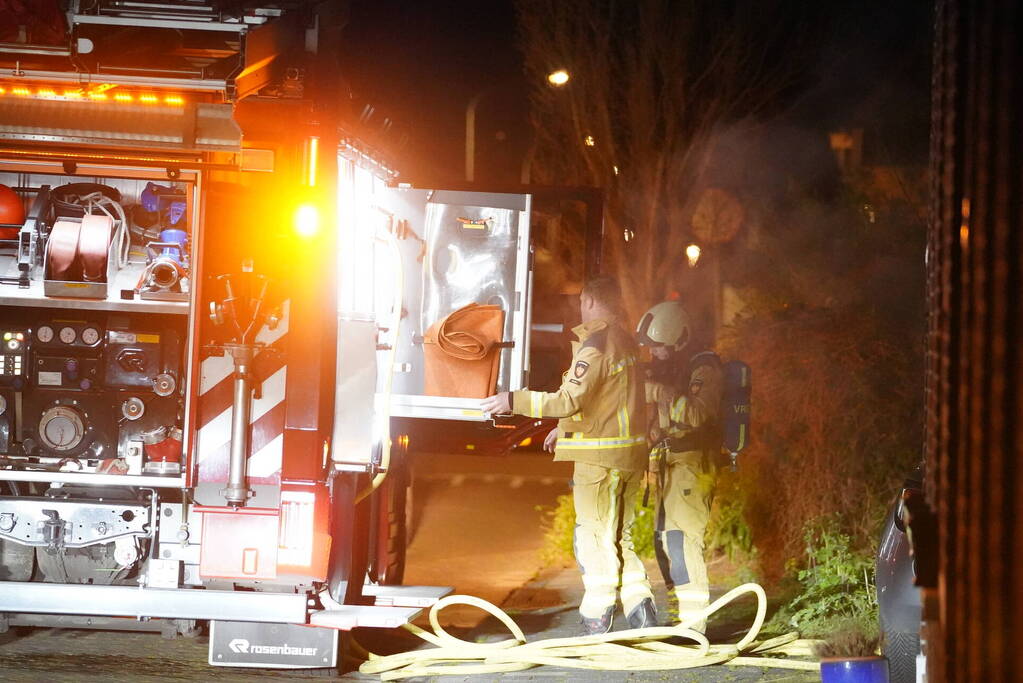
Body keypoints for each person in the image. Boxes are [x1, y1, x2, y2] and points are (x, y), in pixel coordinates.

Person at [481, 277, 655, 634]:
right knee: (620, 536)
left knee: (593, 536)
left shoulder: (595, 344)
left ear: (590, 300)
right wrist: (564, 428)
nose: (578, 306)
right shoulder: (627, 341)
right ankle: (642, 609)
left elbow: (569, 398)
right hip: (630, 456)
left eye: (580, 300)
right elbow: (609, 400)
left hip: (600, 461)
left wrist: (513, 400)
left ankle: (597, 615)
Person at [636, 301, 723, 632]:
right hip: (670, 465)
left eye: (658, 347)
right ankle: (683, 620)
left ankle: (694, 626)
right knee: (666, 543)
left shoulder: (704, 368)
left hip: (692, 465)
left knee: (683, 542)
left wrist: (660, 392)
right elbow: (662, 423)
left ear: (678, 340)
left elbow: (699, 414)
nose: (654, 354)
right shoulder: (671, 368)